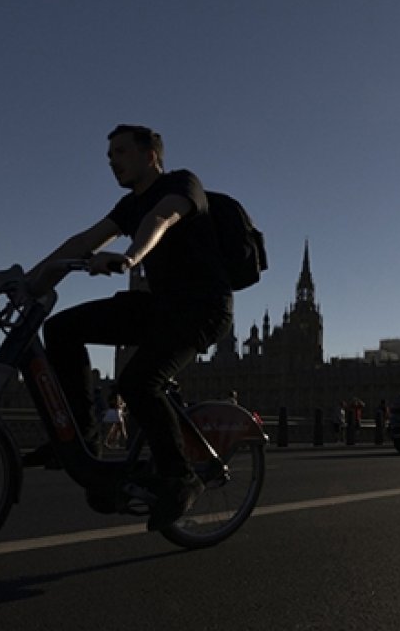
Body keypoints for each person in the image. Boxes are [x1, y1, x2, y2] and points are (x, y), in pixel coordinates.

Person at [24, 124, 233, 530]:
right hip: (159, 306)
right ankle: (83, 440)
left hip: (201, 309)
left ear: (150, 155)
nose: (111, 161)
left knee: (139, 382)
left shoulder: (181, 185)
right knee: (61, 327)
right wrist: (29, 284)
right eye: (109, 156)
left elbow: (163, 218)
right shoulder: (127, 206)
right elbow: (81, 242)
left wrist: (131, 257)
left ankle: (181, 477)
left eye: (120, 152)